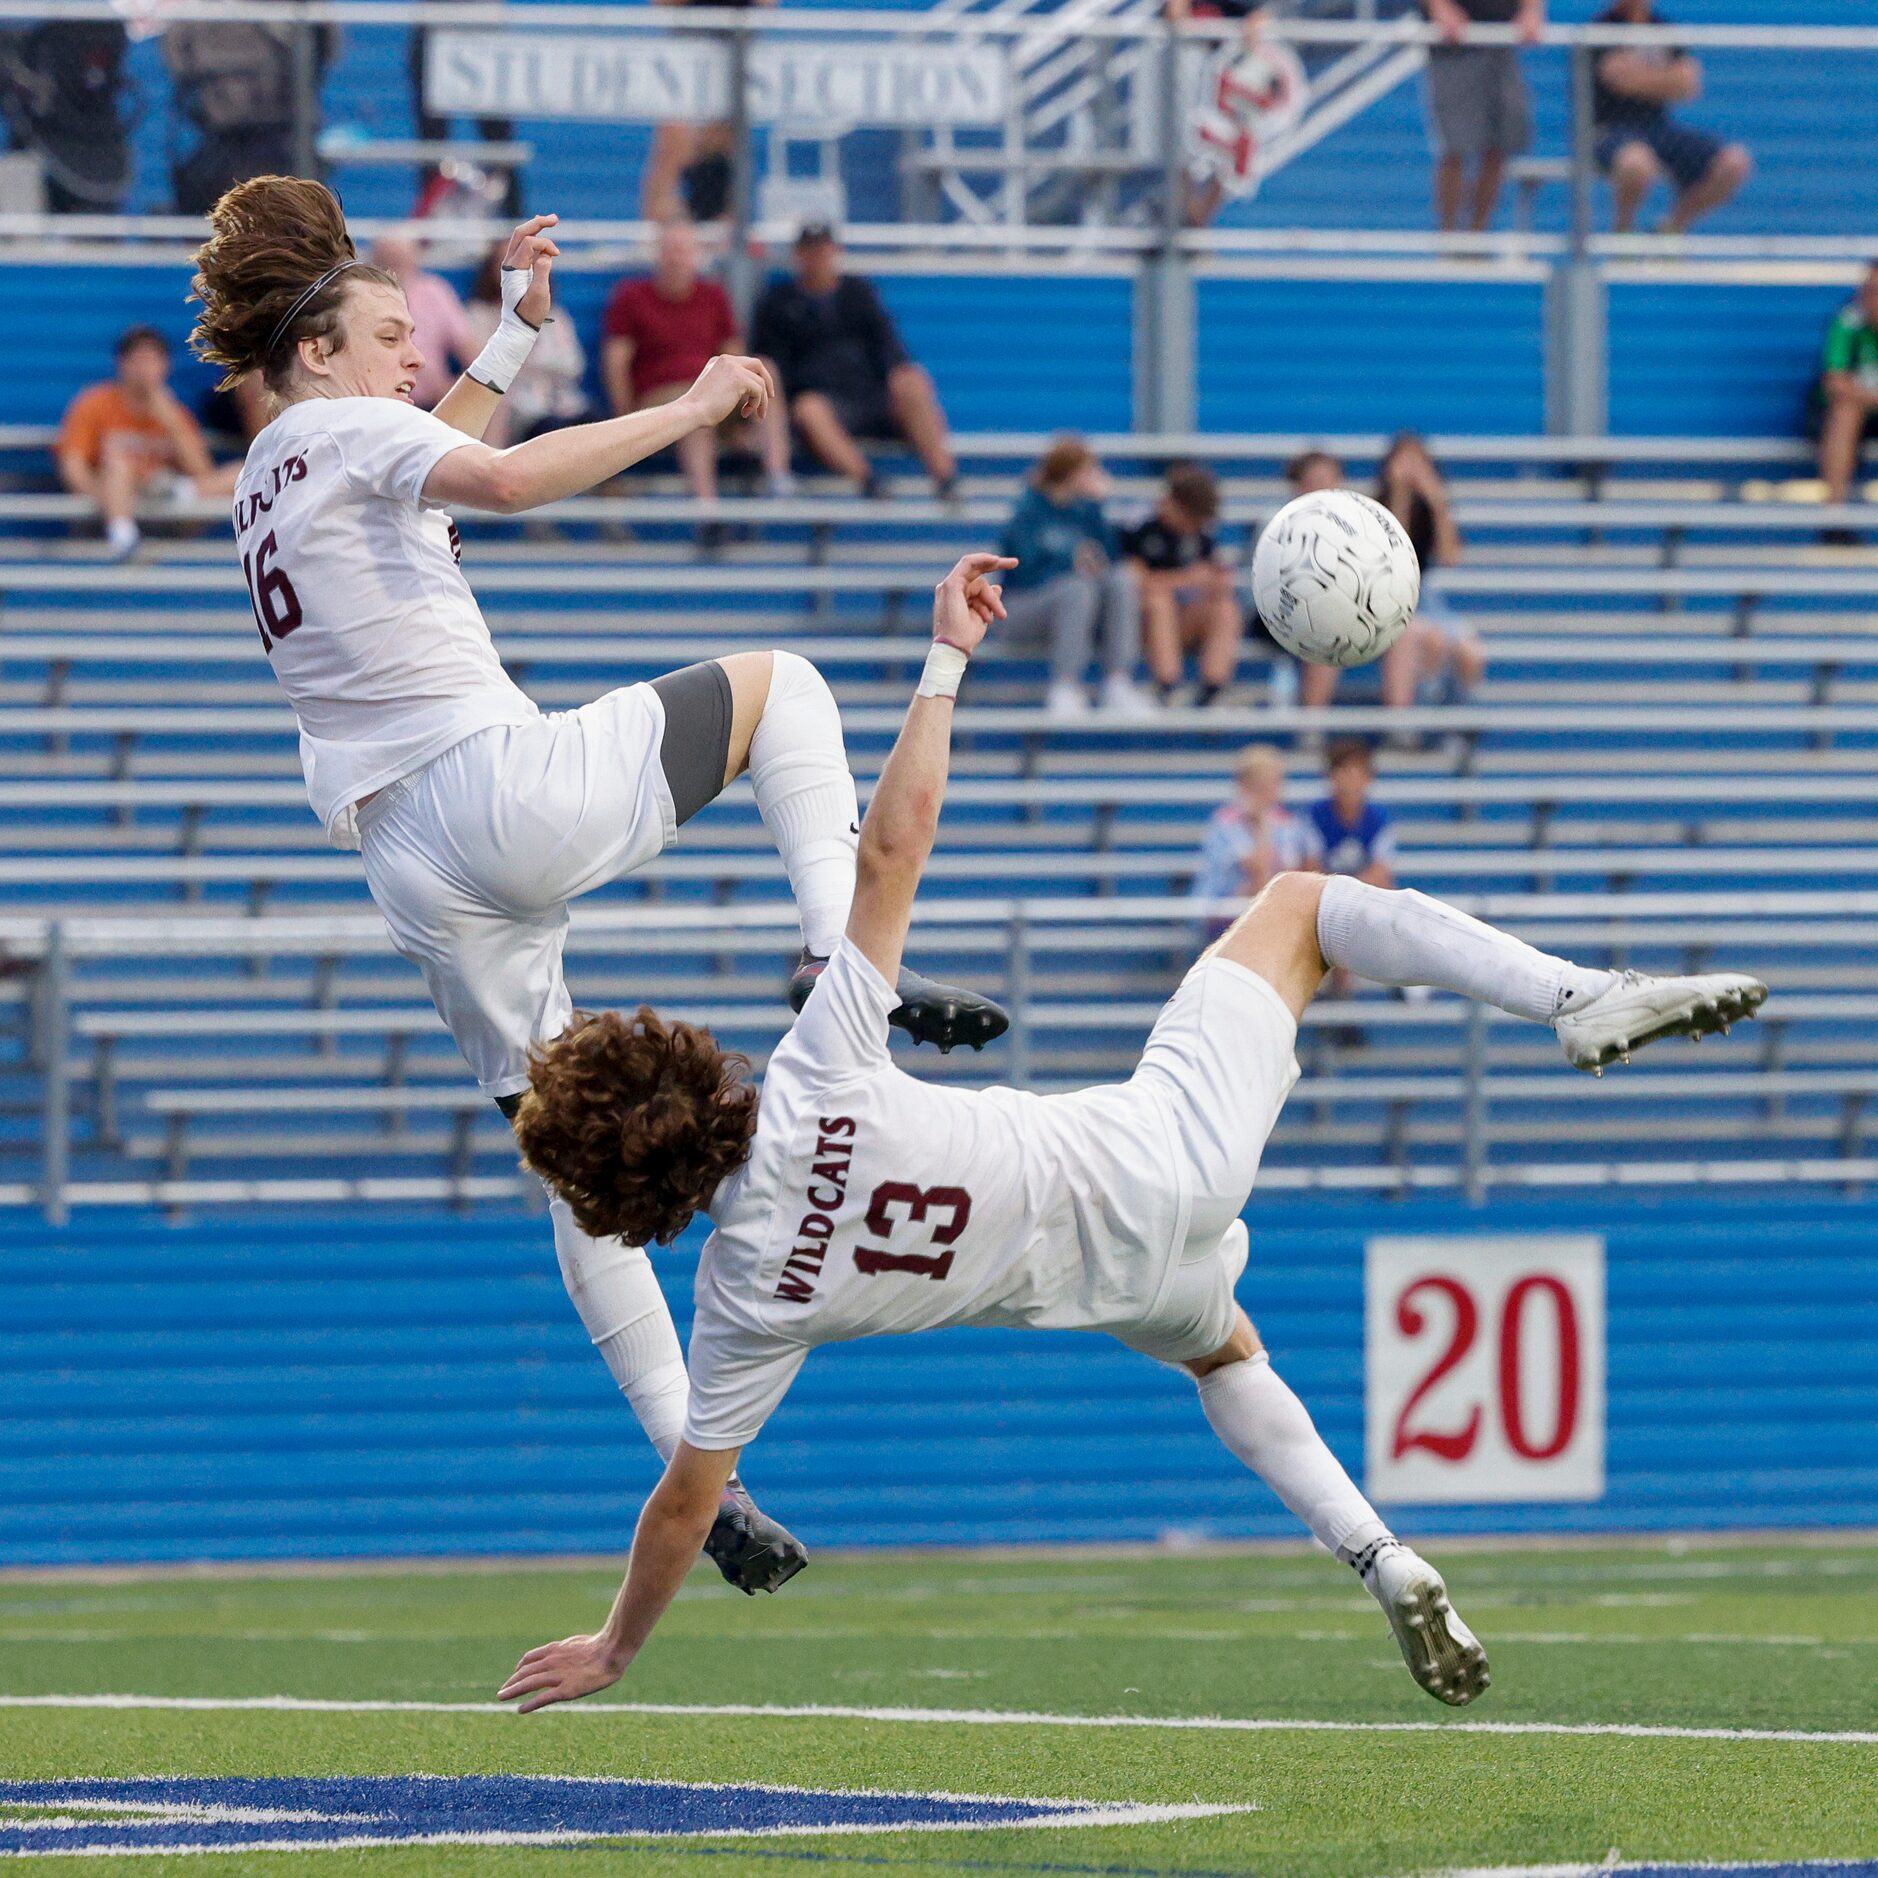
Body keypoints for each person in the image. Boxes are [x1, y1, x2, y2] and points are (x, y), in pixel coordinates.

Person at [493, 550, 1766, 1716]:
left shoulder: (741, 1301)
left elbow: (686, 1503)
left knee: (1222, 1354)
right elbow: (890, 850)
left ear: (626, 1203)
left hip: (1106, 1288)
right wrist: (945, 665)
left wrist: (616, 1647)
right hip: (1159, 1157)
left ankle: (1380, 1553)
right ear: (679, 1060)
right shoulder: (815, 1073)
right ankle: (1575, 999)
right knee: (1302, 902)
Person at [187, 177, 1008, 1598]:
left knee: (578, 1150)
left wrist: (509, 339)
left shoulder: (275, 468)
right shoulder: (335, 423)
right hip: (486, 786)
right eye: (393, 334)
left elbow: (433, 457)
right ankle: (833, 953)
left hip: (410, 867)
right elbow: (492, 482)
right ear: (316, 350)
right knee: (786, 691)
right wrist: (691, 411)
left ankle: (701, 1466)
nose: (410, 357)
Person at [750, 225, 957, 499]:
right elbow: (769, 364)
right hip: (821, 403)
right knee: (809, 409)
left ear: (835, 252)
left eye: (822, 250)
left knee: (913, 383)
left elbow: (889, 347)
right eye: (810, 251)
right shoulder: (779, 303)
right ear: (798, 255)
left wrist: (902, 374)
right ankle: (869, 480)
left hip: (870, 396)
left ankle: (945, 479)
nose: (817, 258)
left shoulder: (858, 293)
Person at [600, 220, 794, 505]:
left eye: (683, 250)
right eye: (670, 250)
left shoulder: (713, 295)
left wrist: (743, 410)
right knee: (694, 406)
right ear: (657, 254)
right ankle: (706, 506)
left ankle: (777, 476)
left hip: (711, 390)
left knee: (764, 370)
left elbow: (736, 355)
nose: (676, 258)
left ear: (695, 256)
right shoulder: (631, 297)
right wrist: (626, 420)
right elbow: (616, 363)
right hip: (660, 397)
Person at [1297, 437, 1485, 728]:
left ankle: (1460, 725)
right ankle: (1415, 726)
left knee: (1470, 653)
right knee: (1425, 640)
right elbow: (1393, 554)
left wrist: (1435, 498)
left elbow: (1450, 557)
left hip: (1424, 598)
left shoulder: (1434, 509)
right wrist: (1399, 493)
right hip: (1384, 595)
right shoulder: (1374, 508)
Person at [996, 438, 1149, 721]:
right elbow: (1022, 569)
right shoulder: (1028, 510)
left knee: (1121, 580)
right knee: (1076, 588)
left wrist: (1100, 507)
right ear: (1071, 473)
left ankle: (1118, 681)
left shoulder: (1087, 510)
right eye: (1089, 470)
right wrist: (1070, 560)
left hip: (1078, 603)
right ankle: (1065, 686)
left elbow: (1110, 559)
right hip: (1024, 606)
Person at [56, 324, 238, 559]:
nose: (144, 370)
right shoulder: (94, 404)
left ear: (166, 365)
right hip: (111, 497)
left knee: (238, 473)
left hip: (162, 498)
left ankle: (174, 495)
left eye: (152, 360)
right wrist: (102, 498)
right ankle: (123, 536)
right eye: (138, 361)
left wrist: (173, 424)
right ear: (121, 363)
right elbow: (73, 467)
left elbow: (201, 471)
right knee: (119, 467)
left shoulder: (175, 412)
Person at [1591, 0, 1750, 235]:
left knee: (1733, 163)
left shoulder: (1663, 28)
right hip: (1611, 129)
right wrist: (1666, 79)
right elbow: (1614, 77)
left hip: (1658, 129)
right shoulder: (1600, 29)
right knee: (1637, 163)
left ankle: (1671, 229)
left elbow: (1688, 85)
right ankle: (1623, 234)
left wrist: (1636, 77)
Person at [1120, 462, 1244, 706]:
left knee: (1225, 607)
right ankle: (1168, 686)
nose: (1195, 525)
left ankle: (1212, 689)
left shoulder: (1201, 535)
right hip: (1140, 624)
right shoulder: (1140, 527)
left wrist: (1215, 583)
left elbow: (1218, 578)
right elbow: (1133, 582)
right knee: (1159, 603)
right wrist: (1187, 580)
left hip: (1185, 620)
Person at [1422, 0, 1544, 234]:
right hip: (1454, 45)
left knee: (1499, 144)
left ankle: (1477, 235)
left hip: (1501, 39)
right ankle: (1449, 237)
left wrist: (1532, 10)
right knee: (1455, 146)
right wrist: (1439, 6)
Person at [465, 242, 590, 450]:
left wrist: (526, 361)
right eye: (508, 263)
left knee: (593, 426)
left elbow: (573, 365)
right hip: (517, 411)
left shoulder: (556, 316)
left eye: (526, 262)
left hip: (565, 403)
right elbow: (486, 368)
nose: (518, 270)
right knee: (551, 432)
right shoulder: (479, 314)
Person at [1192, 744, 1321, 936]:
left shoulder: (1289, 823)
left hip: (1274, 910)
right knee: (1258, 890)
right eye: (1260, 786)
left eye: (1273, 784)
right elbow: (1258, 869)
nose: (1268, 793)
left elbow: (1300, 867)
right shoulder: (1225, 823)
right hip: (1225, 912)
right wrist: (1261, 825)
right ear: (1244, 786)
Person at [368, 233, 477, 411]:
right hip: (380, 401)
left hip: (435, 400)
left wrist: (459, 392)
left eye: (400, 262)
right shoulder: (363, 298)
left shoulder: (434, 292)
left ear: (414, 262)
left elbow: (469, 352)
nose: (395, 272)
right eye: (388, 262)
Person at [1815, 261, 1878, 526]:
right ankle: (1835, 519)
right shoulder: (1847, 321)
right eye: (1868, 290)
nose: (1870, 298)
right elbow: (1835, 382)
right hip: (1844, 416)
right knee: (1845, 412)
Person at [1310, 740, 1396, 888]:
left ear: (1368, 778)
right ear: (1332, 776)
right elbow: (1311, 868)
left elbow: (1381, 870)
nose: (1352, 780)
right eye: (1346, 771)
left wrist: (1349, 890)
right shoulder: (1316, 816)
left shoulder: (1377, 817)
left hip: (1362, 892)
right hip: (1325, 894)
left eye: (1359, 772)